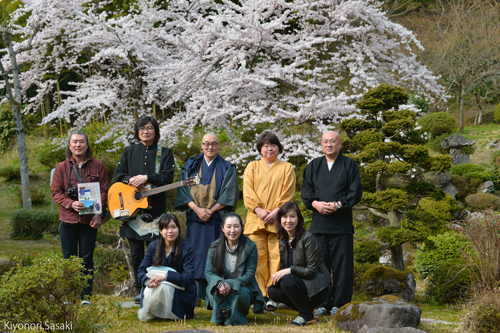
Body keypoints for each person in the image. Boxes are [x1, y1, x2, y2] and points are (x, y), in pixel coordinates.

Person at [114, 116, 175, 303]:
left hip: (155, 213)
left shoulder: (164, 153)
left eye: (149, 128)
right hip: (132, 212)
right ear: (137, 131)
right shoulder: (129, 151)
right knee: (136, 253)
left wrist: (146, 178)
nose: (145, 131)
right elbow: (118, 175)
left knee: (156, 251)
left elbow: (168, 178)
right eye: (141, 128)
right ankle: (140, 289)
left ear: (155, 131)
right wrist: (131, 181)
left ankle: (156, 288)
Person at [301, 131, 362, 316]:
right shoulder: (313, 165)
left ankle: (341, 303)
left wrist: (338, 204)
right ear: (321, 144)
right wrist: (316, 204)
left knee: (343, 267)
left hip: (341, 225)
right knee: (320, 266)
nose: (329, 144)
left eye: (333, 141)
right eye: (326, 141)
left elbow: (355, 192)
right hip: (319, 225)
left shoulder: (349, 165)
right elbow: (306, 191)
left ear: (340, 144)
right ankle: (322, 302)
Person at [175, 133, 239, 300]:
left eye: (214, 144)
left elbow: (229, 192)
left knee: (215, 253)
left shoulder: (227, 167)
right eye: (207, 144)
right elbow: (182, 189)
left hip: (216, 218)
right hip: (196, 218)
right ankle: (194, 293)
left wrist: (211, 210)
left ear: (219, 146)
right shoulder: (191, 165)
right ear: (201, 145)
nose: (210, 147)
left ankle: (214, 292)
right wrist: (197, 209)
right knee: (194, 253)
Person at [51, 130, 109, 304]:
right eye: (75, 142)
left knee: (87, 258)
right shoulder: (62, 167)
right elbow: (56, 192)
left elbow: (104, 191)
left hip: (89, 220)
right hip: (67, 219)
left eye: (82, 142)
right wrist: (70, 203)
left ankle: (86, 296)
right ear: (69, 145)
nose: (78, 145)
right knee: (69, 258)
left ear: (87, 144)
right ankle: (69, 295)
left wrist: (99, 214)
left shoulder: (98, 165)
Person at [242, 132, 296, 310]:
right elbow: (248, 191)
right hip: (255, 219)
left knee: (277, 258)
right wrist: (258, 210)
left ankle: (272, 294)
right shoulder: (252, 167)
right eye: (265, 145)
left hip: (277, 219)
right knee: (256, 259)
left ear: (279, 148)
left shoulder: (287, 167)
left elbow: (287, 193)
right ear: (260, 149)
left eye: (273, 145)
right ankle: (259, 295)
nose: (269, 148)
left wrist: (276, 212)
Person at [268, 202, 331, 326]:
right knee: (273, 291)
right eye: (285, 217)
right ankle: (307, 311)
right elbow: (284, 268)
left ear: (298, 219)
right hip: (300, 285)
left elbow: (311, 271)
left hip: (318, 287)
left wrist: (288, 271)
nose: (288, 220)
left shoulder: (308, 239)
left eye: (292, 216)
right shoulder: (283, 239)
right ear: (280, 219)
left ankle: (305, 315)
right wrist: (283, 274)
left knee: (286, 280)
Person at [205, 213, 265, 325]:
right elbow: (208, 272)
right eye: (229, 226)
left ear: (242, 228)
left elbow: (249, 275)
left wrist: (230, 283)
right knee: (215, 290)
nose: (232, 230)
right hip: (220, 285)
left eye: (236, 226)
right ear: (223, 228)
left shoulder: (250, 246)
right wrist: (219, 283)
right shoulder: (214, 247)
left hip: (243, 286)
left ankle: (236, 319)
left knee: (239, 292)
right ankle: (220, 317)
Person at [137, 214, 196, 321]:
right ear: (160, 230)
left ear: (178, 228)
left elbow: (189, 277)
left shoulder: (187, 249)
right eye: (166, 228)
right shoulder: (153, 247)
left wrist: (165, 277)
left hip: (180, 291)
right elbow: (141, 270)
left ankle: (170, 312)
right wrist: (148, 282)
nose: (170, 231)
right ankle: (156, 310)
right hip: (156, 286)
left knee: (165, 286)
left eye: (173, 227)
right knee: (155, 287)